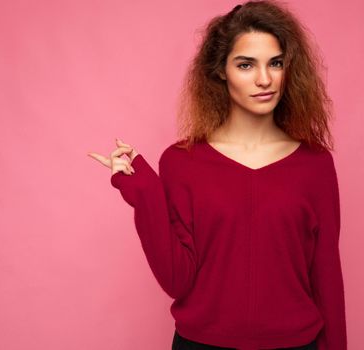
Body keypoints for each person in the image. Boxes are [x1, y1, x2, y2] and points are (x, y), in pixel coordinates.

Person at [88, 0, 347, 349]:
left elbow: (327, 276)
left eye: (275, 63)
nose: (264, 79)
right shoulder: (182, 163)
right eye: (246, 65)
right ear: (221, 70)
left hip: (295, 345)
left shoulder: (315, 164)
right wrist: (145, 190)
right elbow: (177, 280)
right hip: (201, 345)